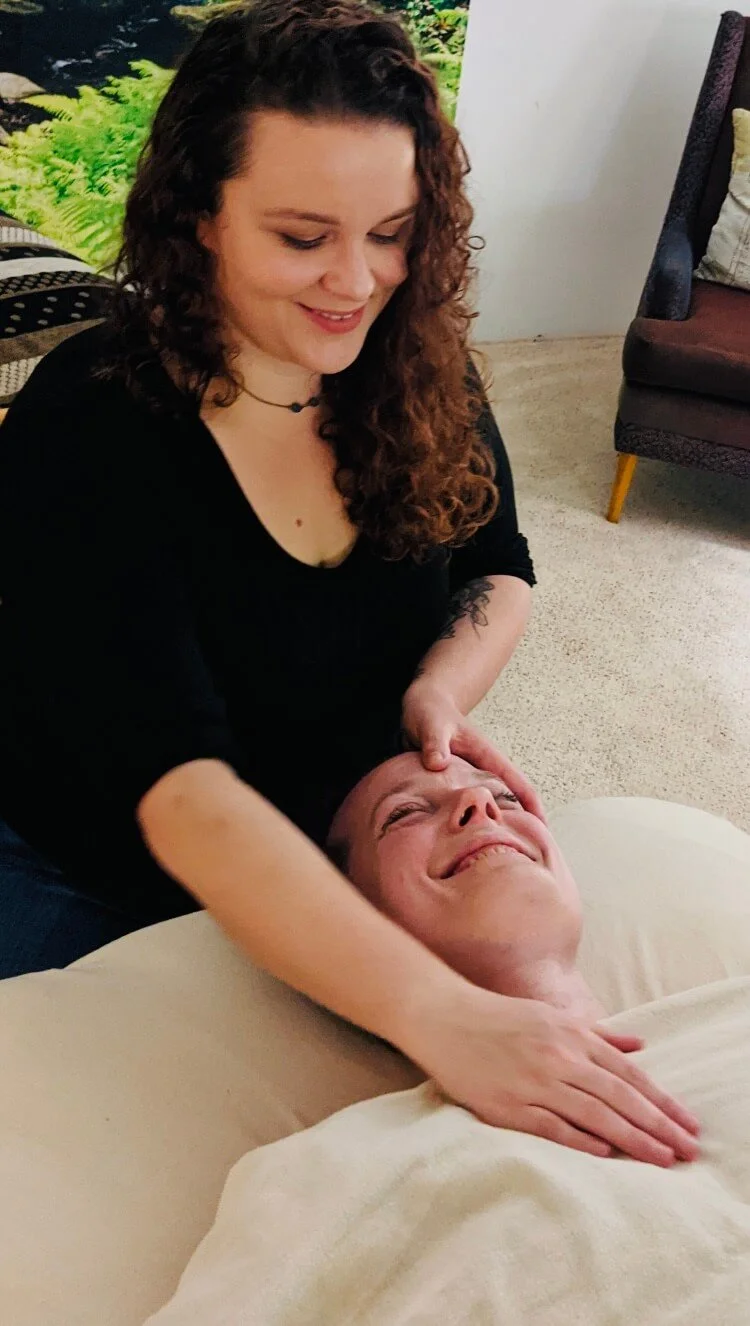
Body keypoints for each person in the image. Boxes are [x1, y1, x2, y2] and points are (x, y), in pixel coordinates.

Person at [0, 0, 593, 1145]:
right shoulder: (96, 419)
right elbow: (182, 794)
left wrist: (440, 688)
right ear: (201, 218)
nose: (357, 283)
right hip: (88, 864)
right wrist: (443, 1016)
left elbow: (501, 568)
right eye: (304, 236)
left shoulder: (419, 370)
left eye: (392, 230)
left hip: (343, 844)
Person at [328, 751, 702, 1166]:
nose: (479, 802)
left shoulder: (729, 1021)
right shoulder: (338, 1173)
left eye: (506, 797)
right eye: (406, 813)